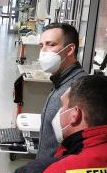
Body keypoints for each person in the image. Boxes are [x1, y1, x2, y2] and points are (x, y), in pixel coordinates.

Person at [36, 23, 86, 159]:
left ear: (69, 50)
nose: (43, 51)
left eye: (51, 44)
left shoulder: (78, 89)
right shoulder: (60, 81)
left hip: (56, 167)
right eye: (41, 46)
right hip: (46, 166)